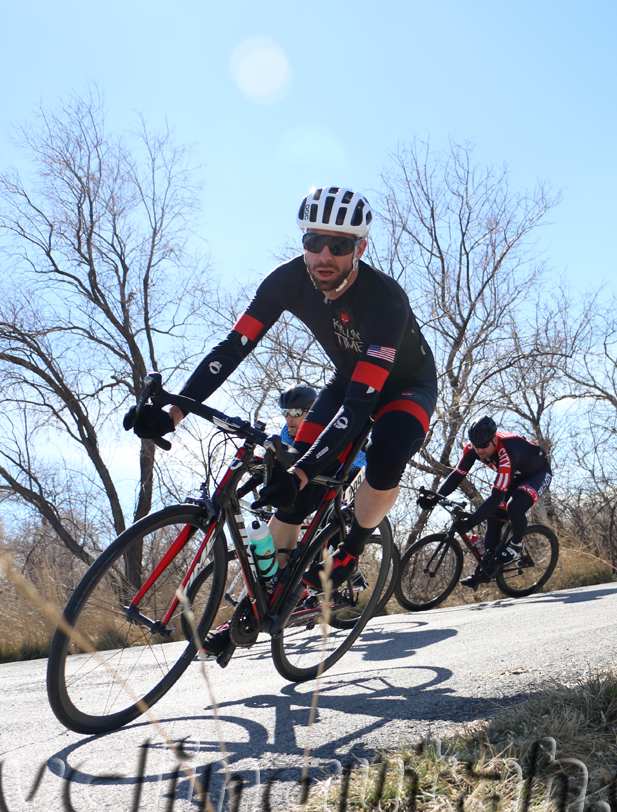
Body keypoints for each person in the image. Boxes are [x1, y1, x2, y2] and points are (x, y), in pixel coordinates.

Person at [126, 186, 436, 665]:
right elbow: (233, 348)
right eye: (314, 242)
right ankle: (258, 611)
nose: (324, 255)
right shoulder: (286, 281)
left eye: (340, 245)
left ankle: (351, 547)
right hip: (346, 382)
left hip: (403, 388)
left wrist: (305, 470)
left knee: (386, 450)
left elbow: (361, 406)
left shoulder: (385, 300)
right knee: (293, 490)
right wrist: (172, 412)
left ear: (361, 248)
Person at [418, 416, 552, 588]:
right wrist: (435, 497)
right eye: (476, 445)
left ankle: (517, 544)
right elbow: (458, 475)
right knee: (494, 518)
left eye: (484, 446)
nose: (479, 450)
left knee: (514, 507)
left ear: (494, 439)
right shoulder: (472, 448)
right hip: (515, 475)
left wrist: (471, 522)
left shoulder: (507, 453)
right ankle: (487, 570)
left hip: (537, 473)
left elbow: (496, 497)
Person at [277, 382, 365, 481]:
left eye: (296, 412)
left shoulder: (334, 428)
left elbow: (362, 461)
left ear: (312, 412)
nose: (289, 419)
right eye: (285, 412)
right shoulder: (285, 434)